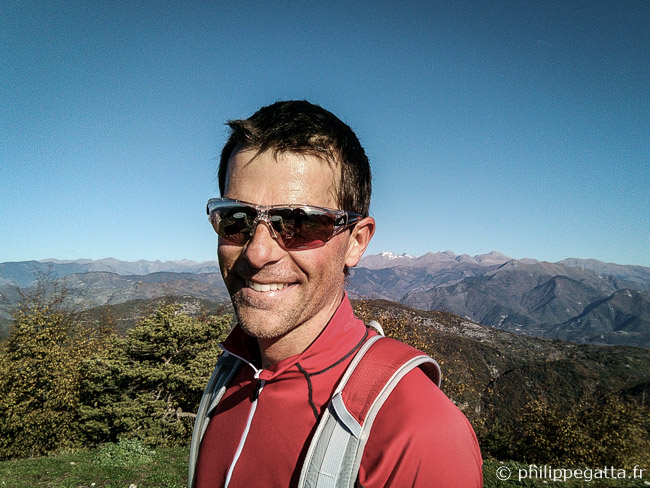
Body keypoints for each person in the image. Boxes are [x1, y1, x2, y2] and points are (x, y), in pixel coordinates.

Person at [189, 100, 483, 487]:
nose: (258, 252)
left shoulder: (420, 433)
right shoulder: (232, 370)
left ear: (356, 242)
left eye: (297, 222)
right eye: (236, 218)